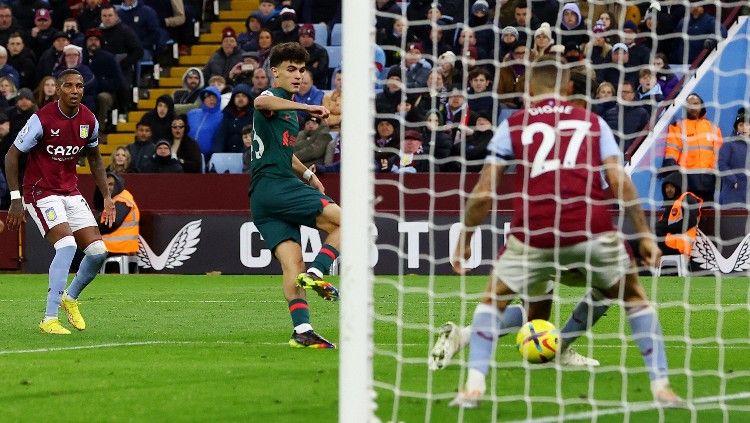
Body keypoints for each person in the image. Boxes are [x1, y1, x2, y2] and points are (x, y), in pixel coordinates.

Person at [446, 57, 682, 408]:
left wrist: (464, 239)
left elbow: (484, 193)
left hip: (533, 233)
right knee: (634, 297)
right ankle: (661, 386)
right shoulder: (592, 122)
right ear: (569, 89)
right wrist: (645, 234)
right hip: (591, 229)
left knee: (492, 301)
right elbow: (619, 181)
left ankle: (474, 386)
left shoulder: (514, 124)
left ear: (528, 90)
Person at [4, 69, 114, 335]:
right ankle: (49, 319)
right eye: (68, 86)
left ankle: (70, 297)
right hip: (40, 192)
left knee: (99, 253)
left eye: (79, 86)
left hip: (70, 191)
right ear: (58, 89)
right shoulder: (41, 120)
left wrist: (108, 197)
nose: (75, 91)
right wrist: (16, 198)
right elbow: (11, 156)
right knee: (66, 246)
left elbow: (95, 158)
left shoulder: (89, 119)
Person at [250, 42, 341, 349]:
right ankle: (319, 271)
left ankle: (302, 330)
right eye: (291, 70)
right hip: (277, 187)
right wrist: (307, 107)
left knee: (293, 264)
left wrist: (308, 174)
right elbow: (260, 103)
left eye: (302, 70)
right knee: (348, 222)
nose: (299, 76)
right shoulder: (274, 98)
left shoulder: (286, 108)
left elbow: (285, 154)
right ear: (274, 72)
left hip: (263, 197)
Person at [662, 93, 723, 203]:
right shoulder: (678, 126)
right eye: (689, 105)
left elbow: (720, 154)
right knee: (688, 215)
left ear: (701, 105)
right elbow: (672, 149)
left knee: (708, 215)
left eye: (696, 104)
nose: (693, 107)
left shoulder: (713, 127)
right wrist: (670, 166)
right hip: (686, 179)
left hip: (708, 179)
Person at [655, 172, 702, 257]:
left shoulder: (688, 199)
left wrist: (666, 228)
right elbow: (665, 222)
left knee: (640, 245)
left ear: (678, 187)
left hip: (681, 245)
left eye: (672, 187)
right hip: (671, 242)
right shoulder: (671, 203)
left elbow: (691, 221)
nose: (668, 190)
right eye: (666, 187)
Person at [95, 172, 140, 257]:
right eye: (105, 185)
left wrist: (93, 232)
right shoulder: (113, 200)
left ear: (118, 185)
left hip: (117, 247)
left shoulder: (122, 200)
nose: (108, 188)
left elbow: (112, 223)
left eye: (111, 184)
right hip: (114, 246)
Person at [717, 108, 749, 207]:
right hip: (732, 193)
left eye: (747, 124)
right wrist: (734, 181)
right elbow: (722, 164)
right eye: (741, 125)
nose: (744, 128)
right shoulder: (729, 144)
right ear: (736, 127)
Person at [213, 84, 253, 154]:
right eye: (237, 96)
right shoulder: (226, 113)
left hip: (247, 156)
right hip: (226, 155)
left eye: (244, 96)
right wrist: (217, 153)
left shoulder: (254, 115)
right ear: (233, 98)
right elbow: (221, 136)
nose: (240, 99)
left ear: (248, 98)